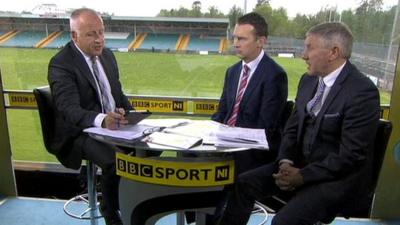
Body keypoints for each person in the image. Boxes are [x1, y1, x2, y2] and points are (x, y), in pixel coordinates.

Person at [215, 22, 380, 225]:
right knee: (243, 183)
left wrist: (302, 176)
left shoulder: (362, 91)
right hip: (298, 168)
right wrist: (285, 161)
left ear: (333, 52)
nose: (303, 55)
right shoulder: (308, 80)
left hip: (336, 180)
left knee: (283, 222)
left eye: (309, 48)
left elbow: (350, 156)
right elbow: (292, 129)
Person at [48, 8, 131, 225]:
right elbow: (68, 109)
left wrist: (128, 113)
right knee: (115, 161)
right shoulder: (61, 64)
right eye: (91, 34)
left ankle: (131, 204)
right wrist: (102, 119)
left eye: (101, 33)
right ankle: (111, 213)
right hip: (79, 132)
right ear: (74, 36)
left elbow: (118, 94)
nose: (99, 40)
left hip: (112, 128)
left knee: (149, 147)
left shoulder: (108, 56)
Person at [212, 12, 288, 173]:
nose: (235, 44)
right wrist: (210, 130)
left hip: (252, 153)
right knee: (187, 156)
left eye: (242, 39)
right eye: (235, 38)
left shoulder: (275, 75)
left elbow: (265, 127)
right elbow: (222, 111)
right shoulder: (232, 71)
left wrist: (229, 136)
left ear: (261, 41)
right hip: (225, 143)